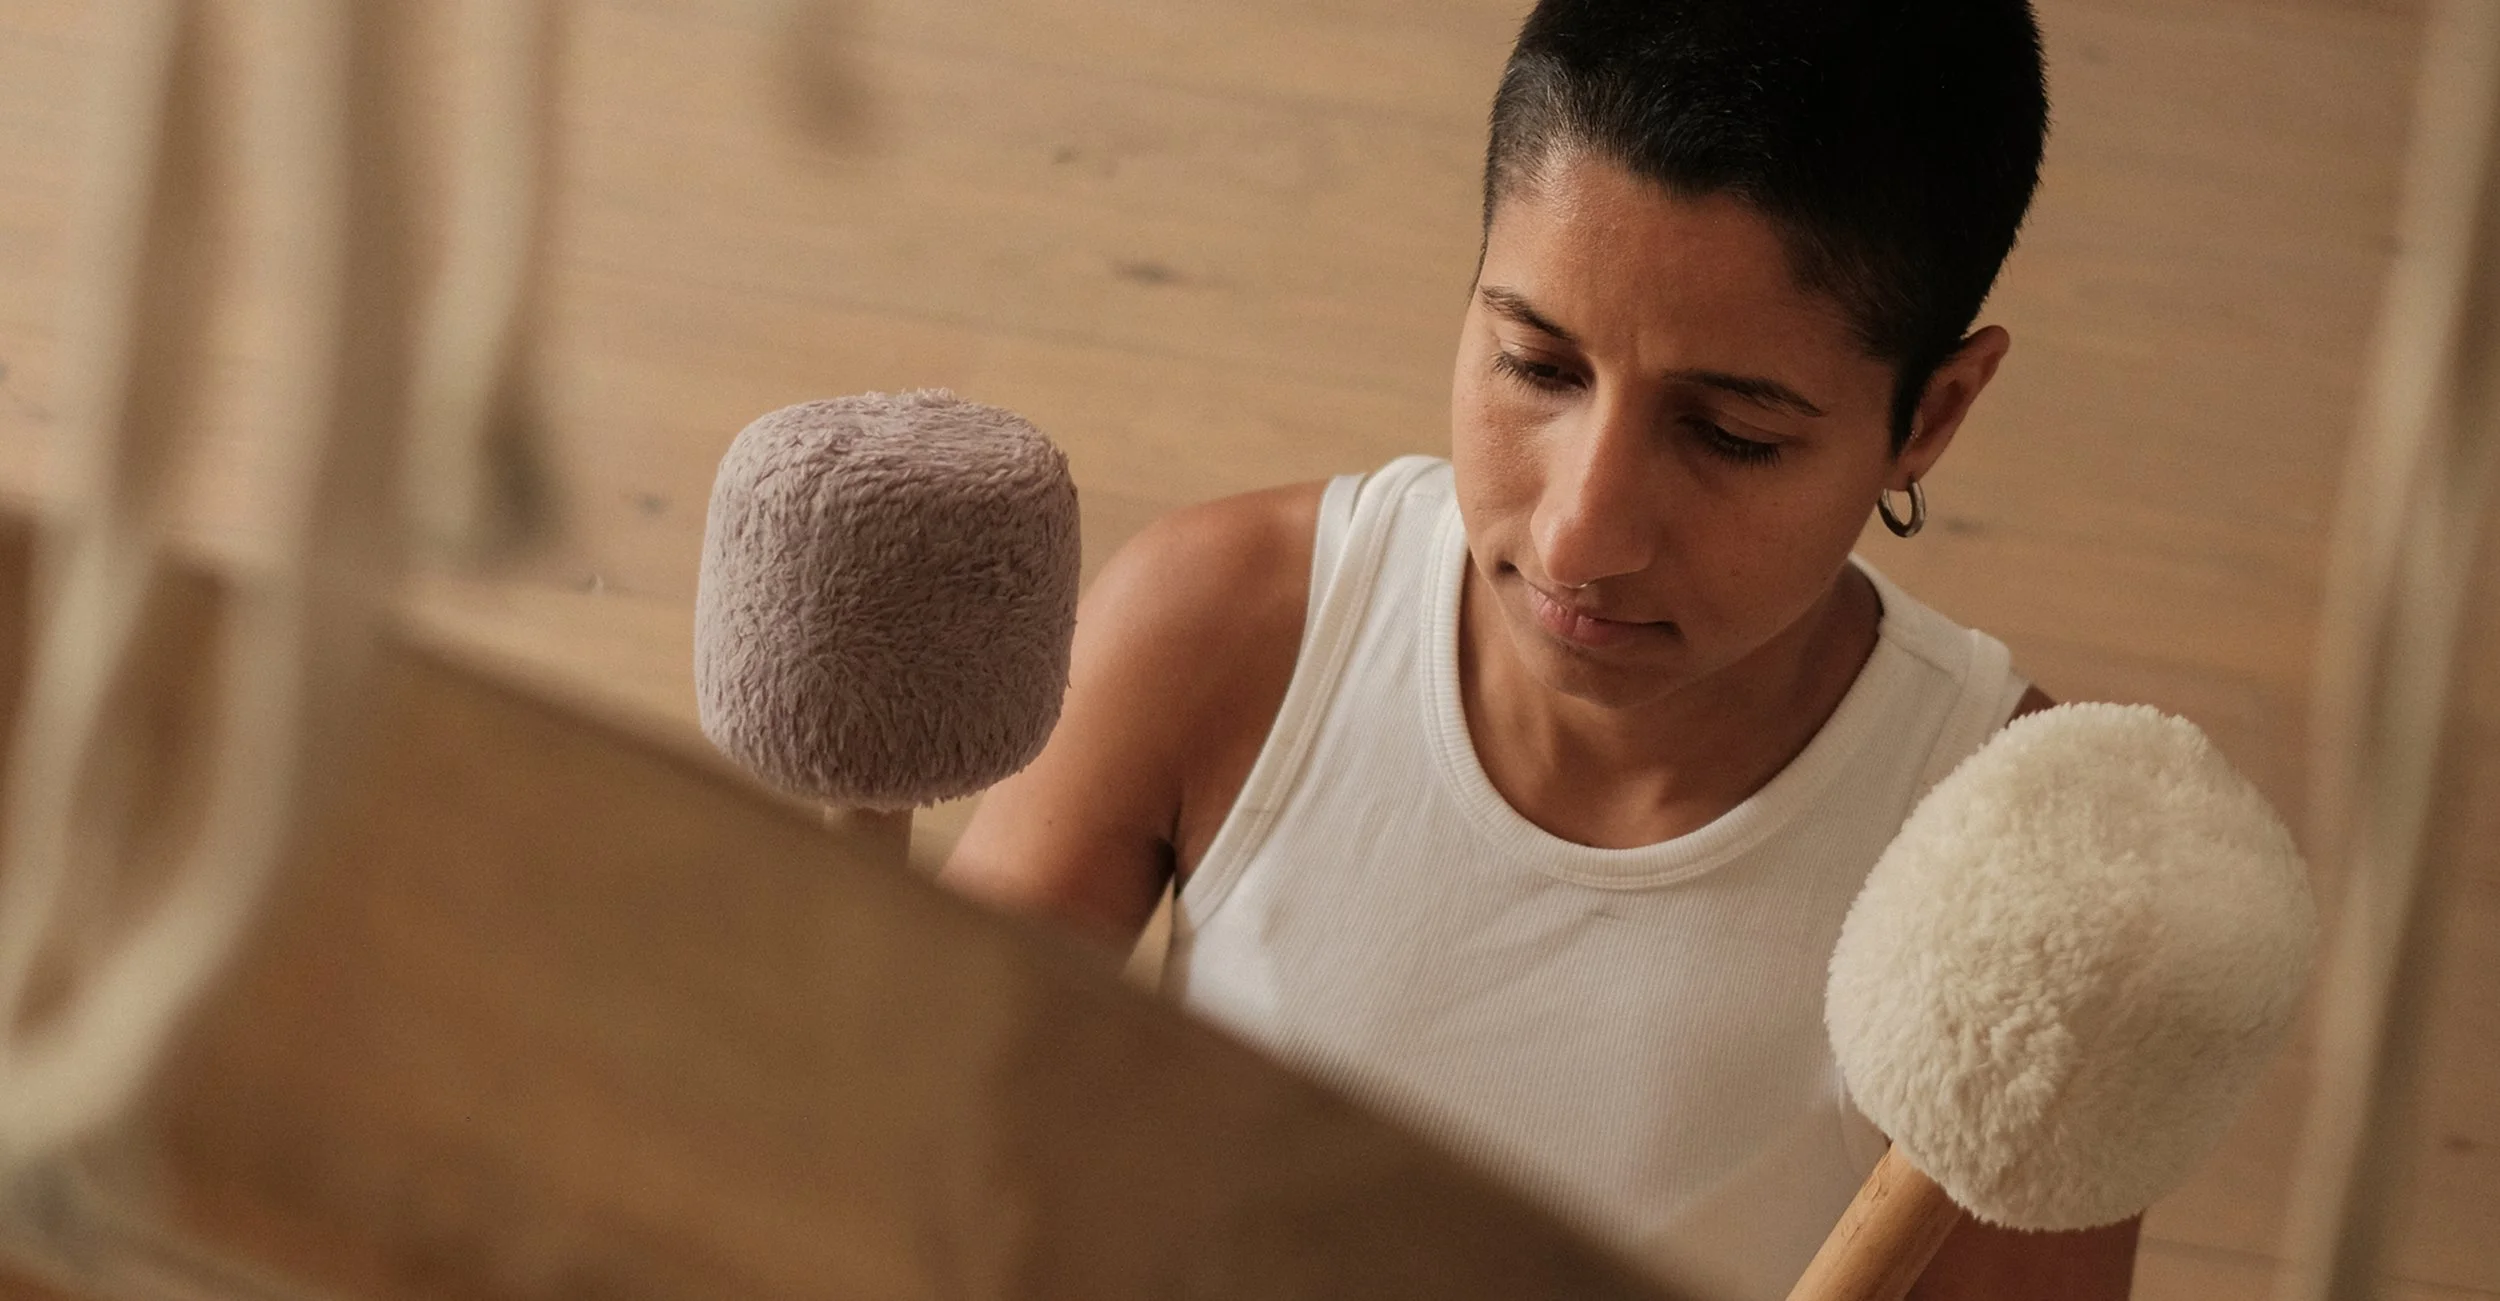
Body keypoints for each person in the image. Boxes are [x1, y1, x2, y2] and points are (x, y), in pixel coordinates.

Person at [945, 0, 2140, 1295]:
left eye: (1731, 435)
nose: (1581, 535)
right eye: (1537, 366)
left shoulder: (2025, 872)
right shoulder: (1227, 628)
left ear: (1933, 414)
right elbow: (911, 1152)